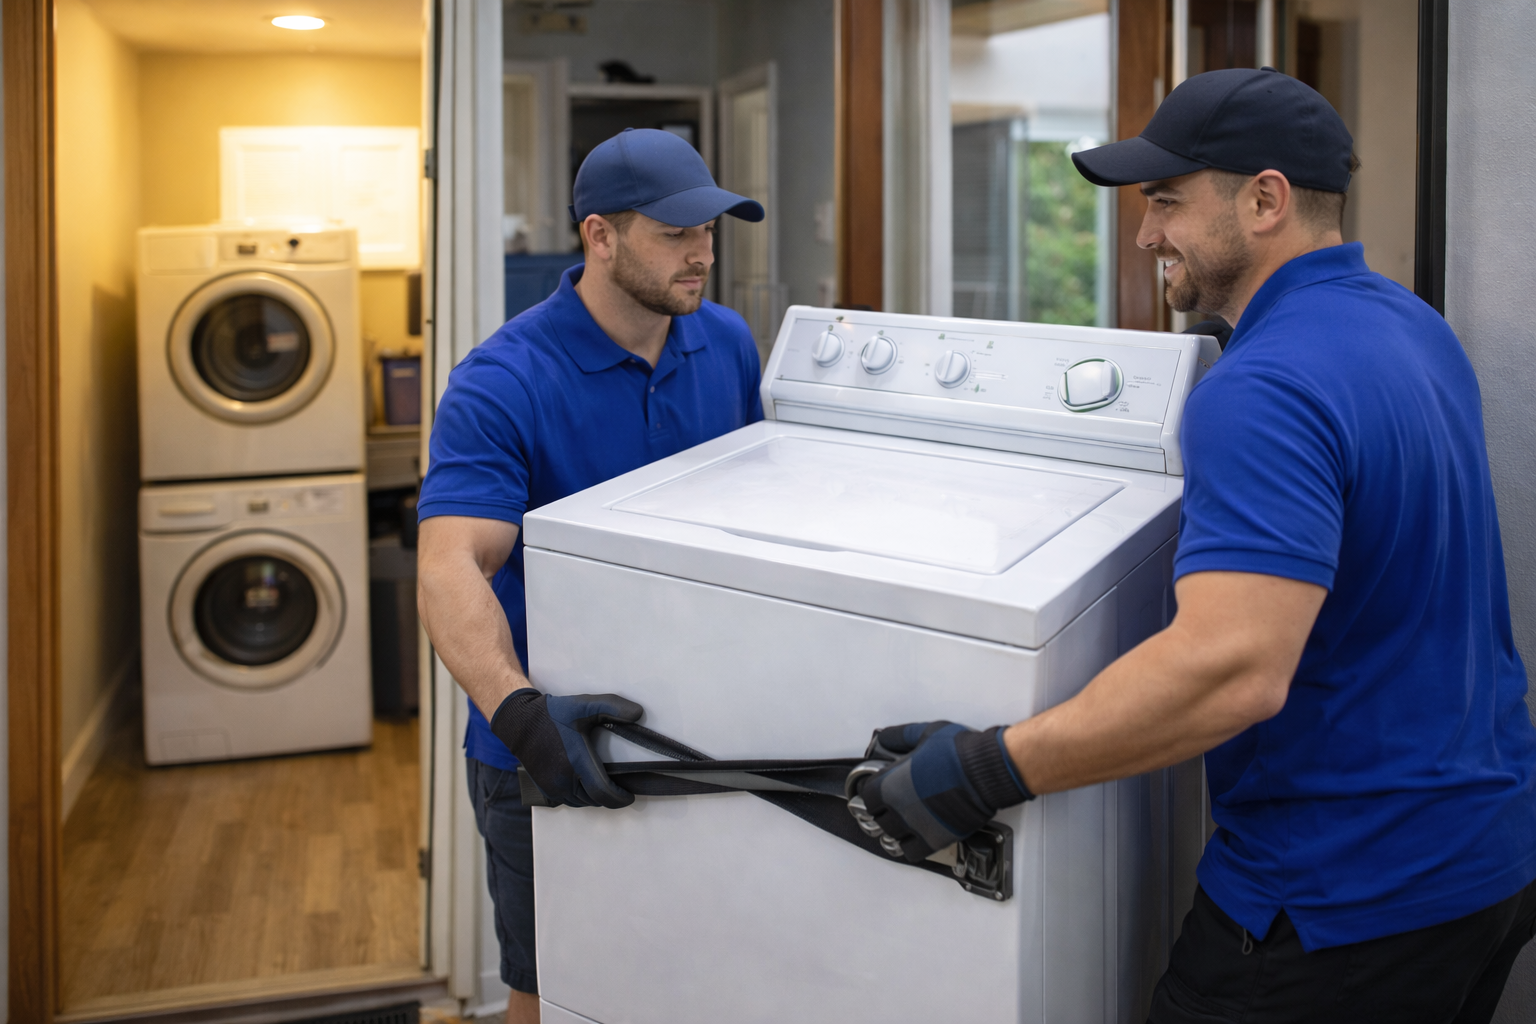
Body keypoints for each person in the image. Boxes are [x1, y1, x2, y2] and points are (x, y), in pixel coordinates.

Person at [855, 68, 1536, 1024]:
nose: (1144, 236)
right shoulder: (1413, 327)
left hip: (1336, 900)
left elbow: (1233, 670)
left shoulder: (1262, 387)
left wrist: (986, 769)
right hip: (1487, 858)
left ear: (1266, 200)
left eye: (1167, 201)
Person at [415, 128, 763, 1024]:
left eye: (712, 230)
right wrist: (520, 712)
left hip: (699, 735)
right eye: (676, 233)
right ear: (600, 237)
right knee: (551, 992)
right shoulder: (502, 382)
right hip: (549, 744)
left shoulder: (724, 343)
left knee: (699, 969)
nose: (704, 253)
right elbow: (453, 563)